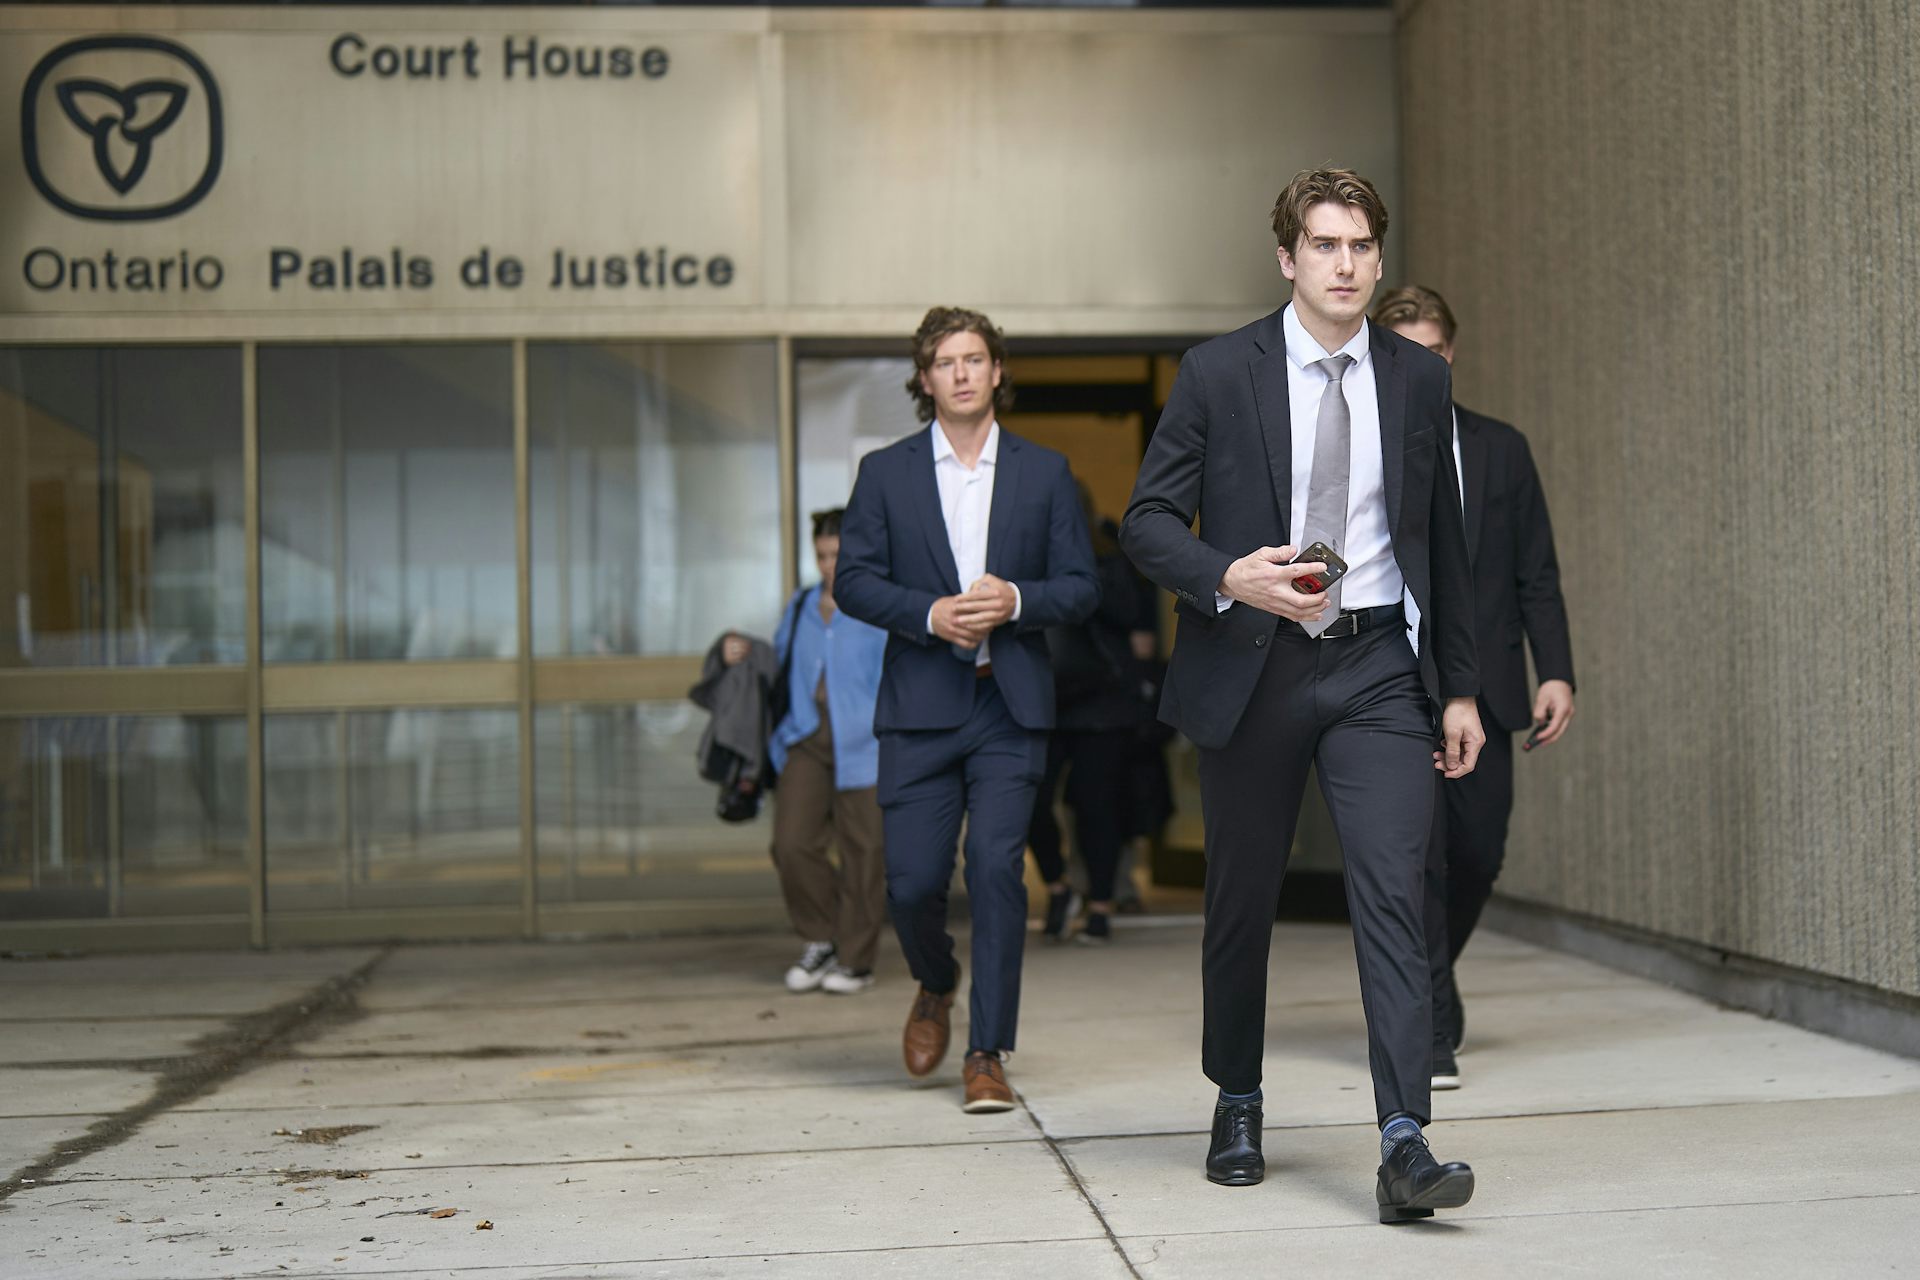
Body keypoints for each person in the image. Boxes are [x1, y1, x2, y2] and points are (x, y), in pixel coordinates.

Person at [1119, 168, 1485, 1221]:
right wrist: (1227, 573)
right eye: (1323, 245)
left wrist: (1457, 688)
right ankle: (1238, 1094)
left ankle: (1404, 1136)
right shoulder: (1218, 372)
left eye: (1361, 246)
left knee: (1393, 890)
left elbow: (1445, 548)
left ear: (1378, 257)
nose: (1344, 263)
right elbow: (1146, 519)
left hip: (1375, 664)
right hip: (1257, 662)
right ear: (1288, 257)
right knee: (1241, 900)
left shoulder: (1417, 379)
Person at [834, 306, 1098, 1114]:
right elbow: (852, 580)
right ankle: (935, 982)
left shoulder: (1046, 472)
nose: (960, 372)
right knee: (910, 886)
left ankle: (987, 1052)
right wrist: (928, 614)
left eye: (974, 358)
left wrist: (1015, 598)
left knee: (996, 872)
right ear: (924, 379)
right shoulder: (885, 472)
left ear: (995, 371)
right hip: (919, 705)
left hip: (1008, 706)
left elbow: (1084, 588)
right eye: (944, 361)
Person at [1374, 285, 1577, 1091]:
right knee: (1416, 859)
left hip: (1490, 688)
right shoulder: (1369, 453)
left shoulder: (1502, 447)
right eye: (1407, 352)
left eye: (1435, 352)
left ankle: (1428, 977)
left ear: (1451, 356)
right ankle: (1425, 1025)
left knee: (1479, 851)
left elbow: (1536, 573)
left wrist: (1555, 669)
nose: (1424, 366)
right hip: (1395, 684)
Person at [723, 508, 890, 996]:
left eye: (837, 554)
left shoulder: (881, 606)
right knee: (791, 843)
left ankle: (856, 960)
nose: (829, 565)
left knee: (865, 851)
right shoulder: (800, 605)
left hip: (867, 743)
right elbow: (778, 661)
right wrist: (741, 650)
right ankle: (821, 937)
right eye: (821, 555)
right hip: (805, 739)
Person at [1028, 486, 1143, 945]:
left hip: (1100, 700)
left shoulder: (1109, 557)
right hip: (1044, 699)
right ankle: (1058, 888)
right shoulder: (1024, 558)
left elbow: (1131, 614)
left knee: (1096, 806)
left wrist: (1079, 577)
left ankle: (1099, 906)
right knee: (1028, 801)